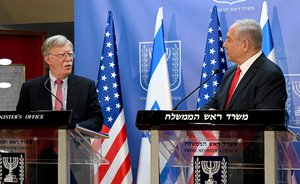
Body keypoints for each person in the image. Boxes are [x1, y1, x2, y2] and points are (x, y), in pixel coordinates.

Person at [202, 19, 287, 184]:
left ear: (245, 44)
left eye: (229, 40)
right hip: (224, 162)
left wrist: (221, 120)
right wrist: (212, 115)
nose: (224, 45)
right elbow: (210, 105)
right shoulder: (231, 72)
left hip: (252, 168)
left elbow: (264, 122)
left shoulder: (270, 74)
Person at [16, 35, 103, 183]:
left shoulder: (85, 86)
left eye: (70, 54)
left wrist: (73, 129)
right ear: (48, 59)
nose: (68, 59)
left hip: (77, 157)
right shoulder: (31, 88)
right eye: (62, 55)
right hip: (41, 157)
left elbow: (97, 119)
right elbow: (21, 120)